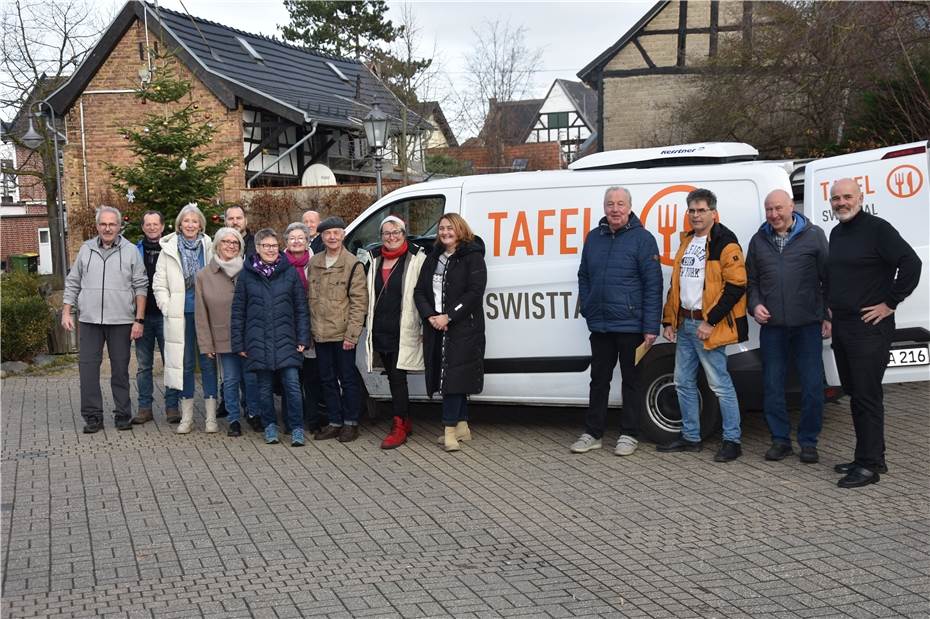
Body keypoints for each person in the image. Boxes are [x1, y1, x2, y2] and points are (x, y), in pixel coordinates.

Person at [827, 178, 921, 488]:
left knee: (866, 396)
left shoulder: (878, 229)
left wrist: (890, 303)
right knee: (856, 392)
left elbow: (911, 263)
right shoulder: (837, 232)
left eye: (847, 197)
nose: (841, 202)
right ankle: (870, 455)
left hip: (869, 328)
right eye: (836, 198)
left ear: (861, 197)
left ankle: (868, 468)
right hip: (843, 326)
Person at [657, 188, 748, 462]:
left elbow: (737, 286)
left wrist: (711, 322)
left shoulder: (725, 243)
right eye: (692, 211)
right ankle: (691, 437)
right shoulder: (686, 242)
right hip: (685, 323)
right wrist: (669, 320)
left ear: (713, 212)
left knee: (719, 384)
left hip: (707, 326)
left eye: (701, 210)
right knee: (683, 382)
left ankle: (732, 441)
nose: (696, 215)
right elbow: (677, 285)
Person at [571, 187, 663, 456]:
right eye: (610, 204)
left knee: (632, 381)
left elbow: (653, 284)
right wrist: (588, 305)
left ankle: (629, 433)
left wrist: (650, 327)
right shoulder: (594, 237)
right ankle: (593, 432)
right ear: (604, 207)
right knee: (598, 380)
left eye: (620, 204)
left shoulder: (643, 239)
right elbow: (584, 275)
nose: (615, 209)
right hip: (600, 325)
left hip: (631, 326)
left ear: (630, 207)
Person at [746, 189, 830, 464]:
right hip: (773, 328)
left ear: (792, 207)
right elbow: (752, 281)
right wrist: (755, 304)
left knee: (812, 386)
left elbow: (829, 279)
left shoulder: (815, 236)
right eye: (769, 209)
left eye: (779, 208)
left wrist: (828, 316)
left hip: (807, 325)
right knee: (772, 385)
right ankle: (780, 440)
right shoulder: (758, 241)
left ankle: (808, 441)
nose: (774, 215)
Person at [63, 206, 148, 433]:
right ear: (97, 226)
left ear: (119, 226)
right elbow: (73, 281)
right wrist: (66, 311)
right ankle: (93, 417)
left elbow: (141, 287)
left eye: (112, 224)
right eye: (103, 224)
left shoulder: (131, 251)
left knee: (120, 370)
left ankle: (122, 414)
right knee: (88, 370)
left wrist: (138, 320)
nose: (107, 228)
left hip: (121, 321)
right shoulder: (86, 249)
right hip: (90, 320)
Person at [414, 213, 487, 452]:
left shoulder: (473, 256)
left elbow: (475, 293)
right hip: (437, 326)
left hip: (464, 328)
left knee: (453, 380)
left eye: (450, 228)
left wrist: (450, 316)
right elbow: (419, 291)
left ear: (460, 229)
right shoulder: (433, 257)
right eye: (442, 228)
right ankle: (463, 426)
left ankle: (449, 430)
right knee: (449, 375)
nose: (445, 232)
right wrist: (431, 316)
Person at [232, 228, 311, 445]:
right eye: (265, 246)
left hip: (287, 341)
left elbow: (301, 308)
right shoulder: (247, 275)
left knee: (292, 386)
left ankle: (296, 427)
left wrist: (303, 338)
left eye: (274, 246)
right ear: (257, 248)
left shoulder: (290, 272)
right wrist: (239, 342)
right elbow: (238, 311)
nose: (270, 250)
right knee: (264, 389)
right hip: (258, 341)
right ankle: (270, 426)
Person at [363, 216, 428, 449]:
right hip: (381, 328)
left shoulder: (417, 258)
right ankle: (404, 419)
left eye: (396, 232)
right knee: (392, 376)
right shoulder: (375, 259)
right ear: (381, 237)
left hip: (404, 326)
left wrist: (423, 325)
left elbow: (425, 293)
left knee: (399, 377)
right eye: (387, 233)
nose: (392, 236)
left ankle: (400, 424)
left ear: (404, 233)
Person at [153, 203, 217, 434]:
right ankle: (187, 417)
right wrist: (168, 307)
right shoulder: (168, 249)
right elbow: (159, 284)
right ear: (180, 224)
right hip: (180, 316)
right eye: (186, 221)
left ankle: (211, 418)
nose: (190, 225)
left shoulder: (210, 246)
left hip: (206, 314)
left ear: (200, 224)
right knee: (185, 365)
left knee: (209, 364)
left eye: (194, 221)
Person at [309, 217, 369, 442]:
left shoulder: (353, 264)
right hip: (320, 333)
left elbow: (359, 302)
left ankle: (351, 423)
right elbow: (309, 300)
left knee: (348, 379)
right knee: (326, 379)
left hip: (343, 335)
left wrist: (352, 335)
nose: (332, 237)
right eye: (327, 234)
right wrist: (310, 333)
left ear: (343, 235)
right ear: (322, 237)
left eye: (336, 233)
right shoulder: (314, 263)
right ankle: (334, 421)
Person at [194, 227, 247, 436]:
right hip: (222, 336)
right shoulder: (204, 275)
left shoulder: (248, 270)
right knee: (231, 379)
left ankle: (254, 413)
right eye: (226, 242)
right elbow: (201, 313)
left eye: (235, 243)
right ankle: (234, 418)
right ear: (217, 245)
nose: (230, 246)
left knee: (251, 379)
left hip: (248, 335)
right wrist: (206, 344)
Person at [132, 210, 181, 424]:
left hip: (165, 316)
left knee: (170, 362)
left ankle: (172, 407)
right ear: (143, 227)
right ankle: (144, 407)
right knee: (144, 366)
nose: (152, 228)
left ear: (163, 227)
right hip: (142, 317)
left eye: (155, 224)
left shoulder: (171, 249)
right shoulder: (134, 251)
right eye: (148, 224)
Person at [283, 221, 325, 433]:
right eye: (292, 238)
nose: (297, 241)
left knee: (312, 376)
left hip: (313, 325)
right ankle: (291, 421)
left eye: (301, 238)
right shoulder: (279, 264)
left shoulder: (318, 262)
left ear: (308, 240)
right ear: (286, 242)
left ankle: (313, 419)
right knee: (290, 377)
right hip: (287, 327)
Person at [223, 204, 260, 430]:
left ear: (245, 220)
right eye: (231, 218)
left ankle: (252, 411)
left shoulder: (257, 245)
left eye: (239, 218)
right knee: (229, 374)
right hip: (225, 319)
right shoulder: (218, 250)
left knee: (251, 372)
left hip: (251, 319)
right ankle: (231, 413)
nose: (235, 222)